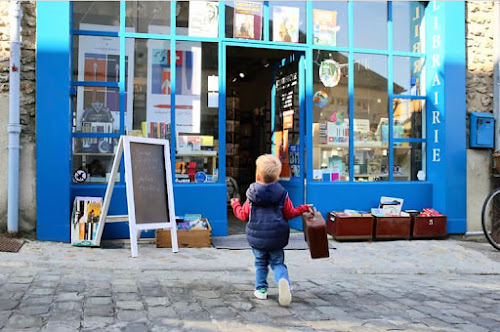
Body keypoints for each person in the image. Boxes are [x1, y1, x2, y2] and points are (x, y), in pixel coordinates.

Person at [230, 154, 313, 306]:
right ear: (277, 177)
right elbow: (289, 213)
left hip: (257, 237)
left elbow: (243, 215)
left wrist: (235, 204)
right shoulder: (282, 194)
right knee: (278, 263)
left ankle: (261, 290)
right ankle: (283, 280)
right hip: (277, 237)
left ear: (257, 175)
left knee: (261, 263)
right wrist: (303, 208)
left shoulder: (252, 195)